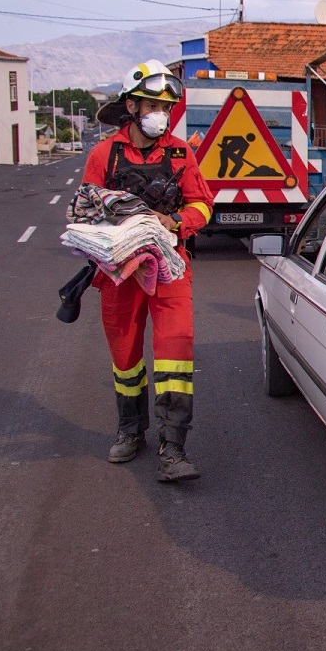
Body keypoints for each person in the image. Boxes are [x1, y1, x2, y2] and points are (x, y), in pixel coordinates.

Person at [86, 60, 214, 482]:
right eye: (153, 105)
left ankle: (173, 449)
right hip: (119, 273)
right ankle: (130, 430)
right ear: (132, 106)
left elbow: (202, 203)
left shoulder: (181, 153)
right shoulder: (103, 155)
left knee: (175, 353)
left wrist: (174, 223)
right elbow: (87, 211)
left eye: (167, 105)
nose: (162, 113)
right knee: (125, 357)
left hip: (169, 270)